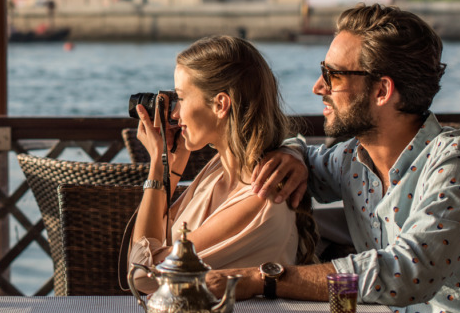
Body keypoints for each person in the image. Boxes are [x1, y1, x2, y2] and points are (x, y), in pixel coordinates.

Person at [215, 4, 460, 313]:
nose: (318, 87)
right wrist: (292, 153)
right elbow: (303, 155)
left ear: (382, 90)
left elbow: (404, 273)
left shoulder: (459, 162)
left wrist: (260, 279)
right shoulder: (351, 160)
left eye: (333, 75)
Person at [129, 35, 318, 293]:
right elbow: (159, 240)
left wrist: (158, 166)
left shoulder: (260, 194)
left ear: (220, 104)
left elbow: (143, 276)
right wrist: (171, 163)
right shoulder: (219, 170)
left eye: (181, 98)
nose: (174, 113)